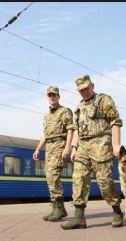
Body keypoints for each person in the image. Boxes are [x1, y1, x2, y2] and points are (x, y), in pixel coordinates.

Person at [61, 75, 124, 230]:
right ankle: (79, 218)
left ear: (93, 85)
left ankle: (117, 210)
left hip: (101, 143)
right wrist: (75, 148)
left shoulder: (104, 100)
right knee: (78, 179)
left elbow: (115, 122)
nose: (84, 92)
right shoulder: (79, 106)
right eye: (81, 90)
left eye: (86, 88)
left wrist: (116, 145)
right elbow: (77, 130)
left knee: (104, 181)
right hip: (83, 146)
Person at [33, 86, 74, 222]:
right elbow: (45, 134)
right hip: (49, 147)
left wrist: (67, 147)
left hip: (59, 145)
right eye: (49, 95)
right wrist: (38, 149)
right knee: (49, 177)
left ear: (58, 96)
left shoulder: (65, 111)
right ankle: (57, 209)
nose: (52, 97)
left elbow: (70, 129)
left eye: (54, 95)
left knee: (54, 176)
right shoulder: (46, 115)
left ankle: (59, 209)